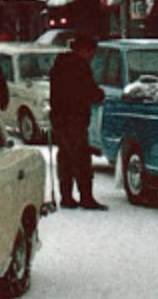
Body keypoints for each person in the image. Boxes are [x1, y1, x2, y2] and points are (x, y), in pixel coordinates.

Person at [48, 33, 106, 210]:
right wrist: (99, 94)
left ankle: (66, 196)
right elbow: (89, 91)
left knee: (65, 157)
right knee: (81, 158)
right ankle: (86, 197)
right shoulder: (80, 67)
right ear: (84, 50)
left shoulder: (59, 65)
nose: (92, 57)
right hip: (75, 118)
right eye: (91, 53)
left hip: (59, 118)